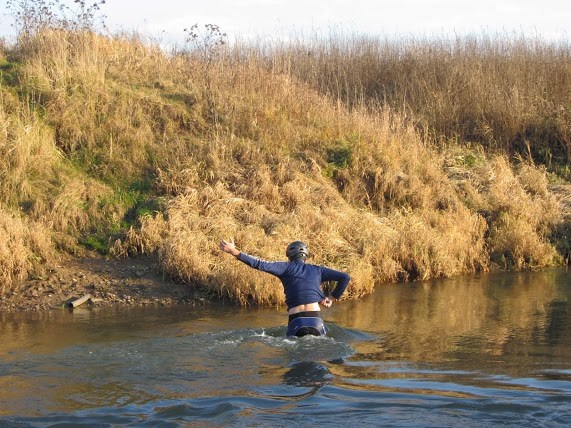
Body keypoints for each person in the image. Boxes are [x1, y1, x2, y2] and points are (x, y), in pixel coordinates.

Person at [219, 239, 350, 337]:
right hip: (315, 320)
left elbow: (258, 264)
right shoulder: (318, 270)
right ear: (306, 256)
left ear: (289, 256)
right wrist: (331, 297)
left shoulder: (285, 267)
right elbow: (345, 277)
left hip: (296, 321)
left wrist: (234, 251)